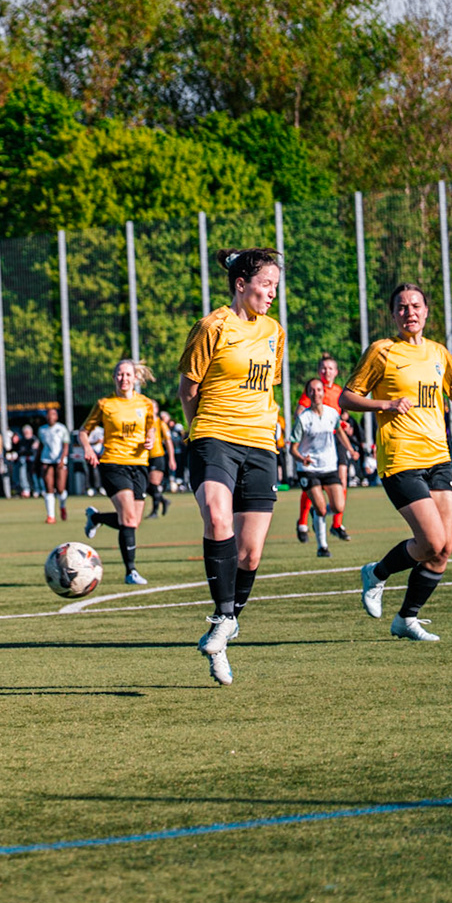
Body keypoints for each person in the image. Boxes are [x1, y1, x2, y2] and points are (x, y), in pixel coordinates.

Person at [178, 247, 286, 686]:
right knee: (217, 517)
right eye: (265, 285)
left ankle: (227, 627)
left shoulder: (274, 332)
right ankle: (223, 617)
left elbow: (267, 390)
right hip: (214, 437)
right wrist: (199, 432)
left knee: (251, 552)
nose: (272, 293)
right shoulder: (212, 326)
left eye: (276, 286)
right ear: (241, 285)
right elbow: (188, 389)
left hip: (261, 443)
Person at [340, 283, 452, 641]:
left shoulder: (439, 353)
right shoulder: (382, 351)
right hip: (400, 458)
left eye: (416, 306)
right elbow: (347, 397)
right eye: (402, 307)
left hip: (439, 457)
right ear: (393, 315)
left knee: (443, 550)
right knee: (431, 541)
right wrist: (385, 405)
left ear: (426, 311)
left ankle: (406, 618)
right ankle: (376, 573)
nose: (410, 313)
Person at [82, 360, 160, 584]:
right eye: (119, 375)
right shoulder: (105, 404)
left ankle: (95, 517)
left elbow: (151, 427)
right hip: (113, 463)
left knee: (133, 521)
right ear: (114, 377)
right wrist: (88, 449)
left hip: (139, 465)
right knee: (127, 517)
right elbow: (83, 431)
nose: (123, 379)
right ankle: (131, 571)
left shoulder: (145, 404)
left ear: (135, 378)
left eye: (127, 375)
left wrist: (150, 438)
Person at [295, 355, 355, 545]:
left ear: (336, 372)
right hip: (316, 441)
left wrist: (346, 424)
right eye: (323, 368)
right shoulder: (314, 389)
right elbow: (301, 412)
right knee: (314, 485)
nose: (326, 372)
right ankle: (304, 521)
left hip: (335, 438)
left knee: (342, 480)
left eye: (330, 368)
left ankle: (337, 524)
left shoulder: (339, 391)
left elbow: (343, 416)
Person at [291, 378, 347, 559]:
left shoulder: (332, 414)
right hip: (309, 469)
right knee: (323, 509)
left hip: (329, 466)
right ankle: (322, 546)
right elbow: (292, 448)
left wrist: (352, 450)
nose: (316, 393)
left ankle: (315, 513)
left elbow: (339, 431)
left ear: (324, 392)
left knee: (338, 506)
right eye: (312, 390)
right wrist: (302, 458)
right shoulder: (304, 419)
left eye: (319, 390)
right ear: (308, 394)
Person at [36, 406, 71, 522]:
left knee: (60, 488)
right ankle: (51, 516)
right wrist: (37, 461)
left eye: (53, 414)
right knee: (49, 487)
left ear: (56, 417)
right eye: (49, 414)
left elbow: (65, 446)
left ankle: (62, 506)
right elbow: (41, 446)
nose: (50, 417)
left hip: (59, 460)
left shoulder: (61, 429)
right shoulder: (42, 430)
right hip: (47, 460)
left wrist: (62, 459)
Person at [146, 410, 177, 517]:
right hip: (144, 457)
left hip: (157, 456)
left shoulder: (160, 423)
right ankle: (163, 500)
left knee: (154, 484)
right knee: (145, 485)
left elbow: (168, 441)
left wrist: (171, 459)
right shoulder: (143, 421)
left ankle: (155, 511)